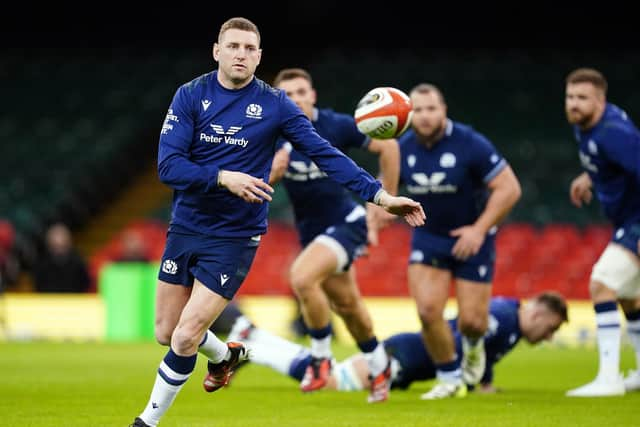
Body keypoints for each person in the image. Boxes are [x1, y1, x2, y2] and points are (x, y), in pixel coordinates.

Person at [129, 17, 425, 427]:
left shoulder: (275, 104)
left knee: (184, 336)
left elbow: (325, 153)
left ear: (259, 56)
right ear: (217, 50)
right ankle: (226, 355)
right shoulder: (190, 95)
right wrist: (222, 177)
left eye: (249, 49)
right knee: (167, 330)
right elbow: (168, 166)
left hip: (234, 236)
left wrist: (380, 195)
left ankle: (146, 421)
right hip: (186, 226)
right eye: (233, 46)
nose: (241, 54)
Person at [267, 68, 400, 402]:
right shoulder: (272, 134)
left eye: (301, 92)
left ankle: (320, 359)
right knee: (348, 305)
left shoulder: (336, 124)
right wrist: (271, 176)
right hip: (312, 233)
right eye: (287, 95)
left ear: (313, 95)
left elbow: (390, 148)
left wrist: (385, 201)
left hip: (347, 222)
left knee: (301, 277)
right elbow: (256, 183)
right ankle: (380, 365)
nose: (295, 99)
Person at [387, 83, 522, 399]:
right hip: (428, 237)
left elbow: (509, 189)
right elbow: (387, 190)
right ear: (408, 113)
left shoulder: (470, 142)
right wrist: (379, 213)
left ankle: (474, 348)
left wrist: (479, 230)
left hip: (472, 240)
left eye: (431, 109)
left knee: (473, 322)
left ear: (444, 110)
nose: (424, 116)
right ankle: (450, 379)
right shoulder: (400, 148)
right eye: (417, 110)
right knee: (427, 312)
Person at [226, 292, 568, 395]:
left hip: (412, 360)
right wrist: (463, 378)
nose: (548, 337)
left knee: (333, 376)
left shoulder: (510, 325)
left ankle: (251, 337)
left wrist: (485, 381)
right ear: (538, 313)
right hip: (408, 354)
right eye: (550, 328)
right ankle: (250, 346)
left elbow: (484, 354)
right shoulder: (503, 316)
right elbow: (467, 337)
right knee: (331, 382)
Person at [564, 68, 640, 397]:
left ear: (601, 100)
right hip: (624, 219)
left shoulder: (613, 131)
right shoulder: (588, 126)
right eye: (570, 97)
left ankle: (609, 379)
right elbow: (609, 162)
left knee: (602, 285)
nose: (574, 104)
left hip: (636, 221)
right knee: (628, 297)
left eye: (582, 98)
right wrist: (590, 176)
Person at [32, 222, 90, 293]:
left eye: (62, 246)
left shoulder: (78, 262)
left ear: (68, 243)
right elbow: (38, 286)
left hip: (74, 301)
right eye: (55, 246)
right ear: (49, 245)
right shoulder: (41, 264)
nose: (59, 251)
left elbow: (85, 284)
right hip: (49, 301)